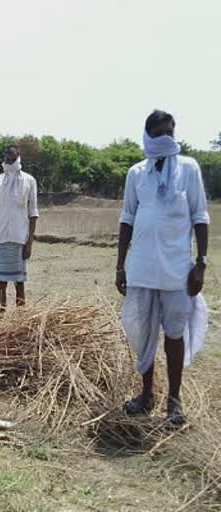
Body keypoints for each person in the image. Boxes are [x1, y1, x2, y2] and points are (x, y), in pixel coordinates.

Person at [117, 110, 209, 426]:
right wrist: (120, 267)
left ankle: (174, 401)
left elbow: (200, 217)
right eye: (159, 133)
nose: (166, 138)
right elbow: (127, 218)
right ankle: (146, 395)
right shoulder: (136, 173)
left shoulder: (188, 169)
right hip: (142, 268)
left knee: (173, 335)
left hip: (177, 270)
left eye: (170, 132)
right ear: (147, 136)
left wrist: (201, 264)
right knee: (144, 335)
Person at [0, 145, 39, 313]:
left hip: (20, 238)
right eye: (7, 160)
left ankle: (20, 321)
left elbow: (33, 214)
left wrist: (29, 243)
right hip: (1, 238)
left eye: (12, 159)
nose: (9, 163)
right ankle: (2, 321)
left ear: (18, 159)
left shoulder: (29, 181)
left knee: (19, 284)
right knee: (1, 284)